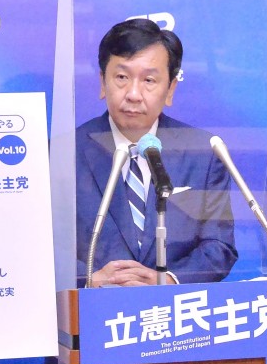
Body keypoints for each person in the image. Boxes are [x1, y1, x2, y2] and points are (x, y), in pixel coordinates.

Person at [75, 18, 237, 287]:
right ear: (103, 82)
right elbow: (36, 243)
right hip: (88, 308)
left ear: (171, 88)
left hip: (172, 309)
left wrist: (168, 281)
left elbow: (219, 246)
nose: (133, 94)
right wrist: (88, 279)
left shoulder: (203, 154)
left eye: (149, 80)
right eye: (122, 77)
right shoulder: (61, 154)